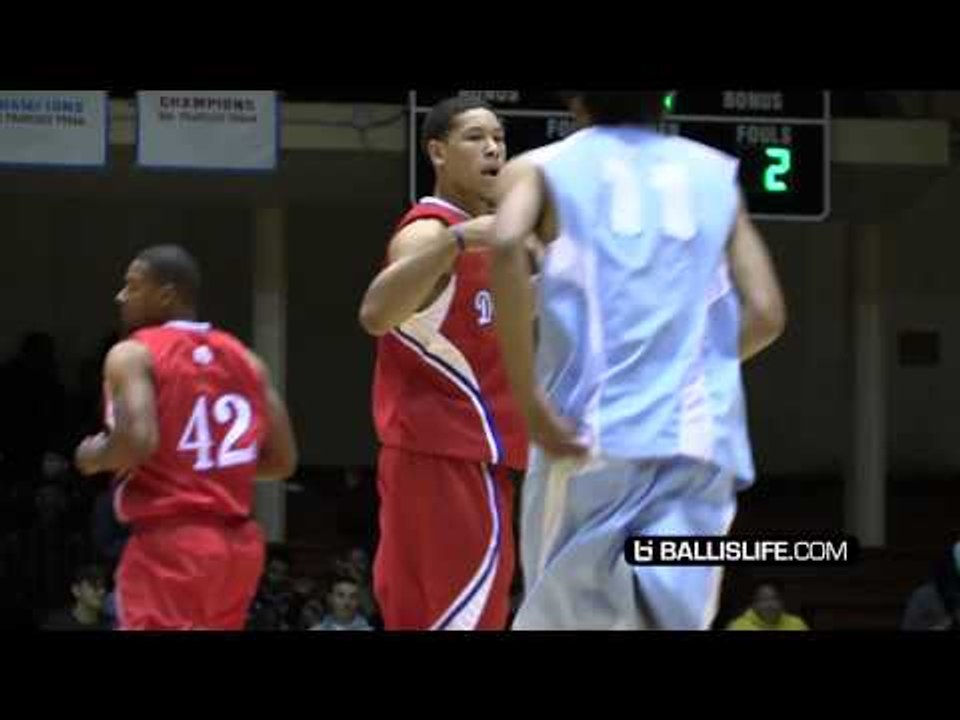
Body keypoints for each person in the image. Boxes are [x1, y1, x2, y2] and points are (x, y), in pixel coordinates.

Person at [490, 91, 786, 630]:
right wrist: (688, 374)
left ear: (576, 100)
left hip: (589, 434)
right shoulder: (714, 172)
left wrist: (529, 400)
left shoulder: (540, 167)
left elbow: (507, 242)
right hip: (699, 445)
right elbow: (766, 314)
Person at [358, 96, 528, 630]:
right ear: (437, 152)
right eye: (475, 137)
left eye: (498, 137)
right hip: (448, 458)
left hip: (437, 459)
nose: (493, 148)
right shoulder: (432, 231)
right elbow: (375, 314)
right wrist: (454, 242)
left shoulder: (486, 237)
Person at [73, 245, 298, 630]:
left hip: (170, 541)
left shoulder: (133, 354)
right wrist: (204, 469)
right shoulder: (247, 359)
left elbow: (137, 442)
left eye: (133, 286)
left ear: (166, 295)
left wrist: (93, 456)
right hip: (238, 547)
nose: (121, 296)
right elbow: (282, 461)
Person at [41, 564, 110, 631]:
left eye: (103, 586)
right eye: (94, 585)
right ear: (76, 590)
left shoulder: (109, 624)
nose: (102, 591)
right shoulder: (57, 624)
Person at [726, 581, 810, 631]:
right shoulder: (737, 626)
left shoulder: (797, 625)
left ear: (782, 602)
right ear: (754, 604)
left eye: (774, 598)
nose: (769, 605)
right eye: (763, 599)